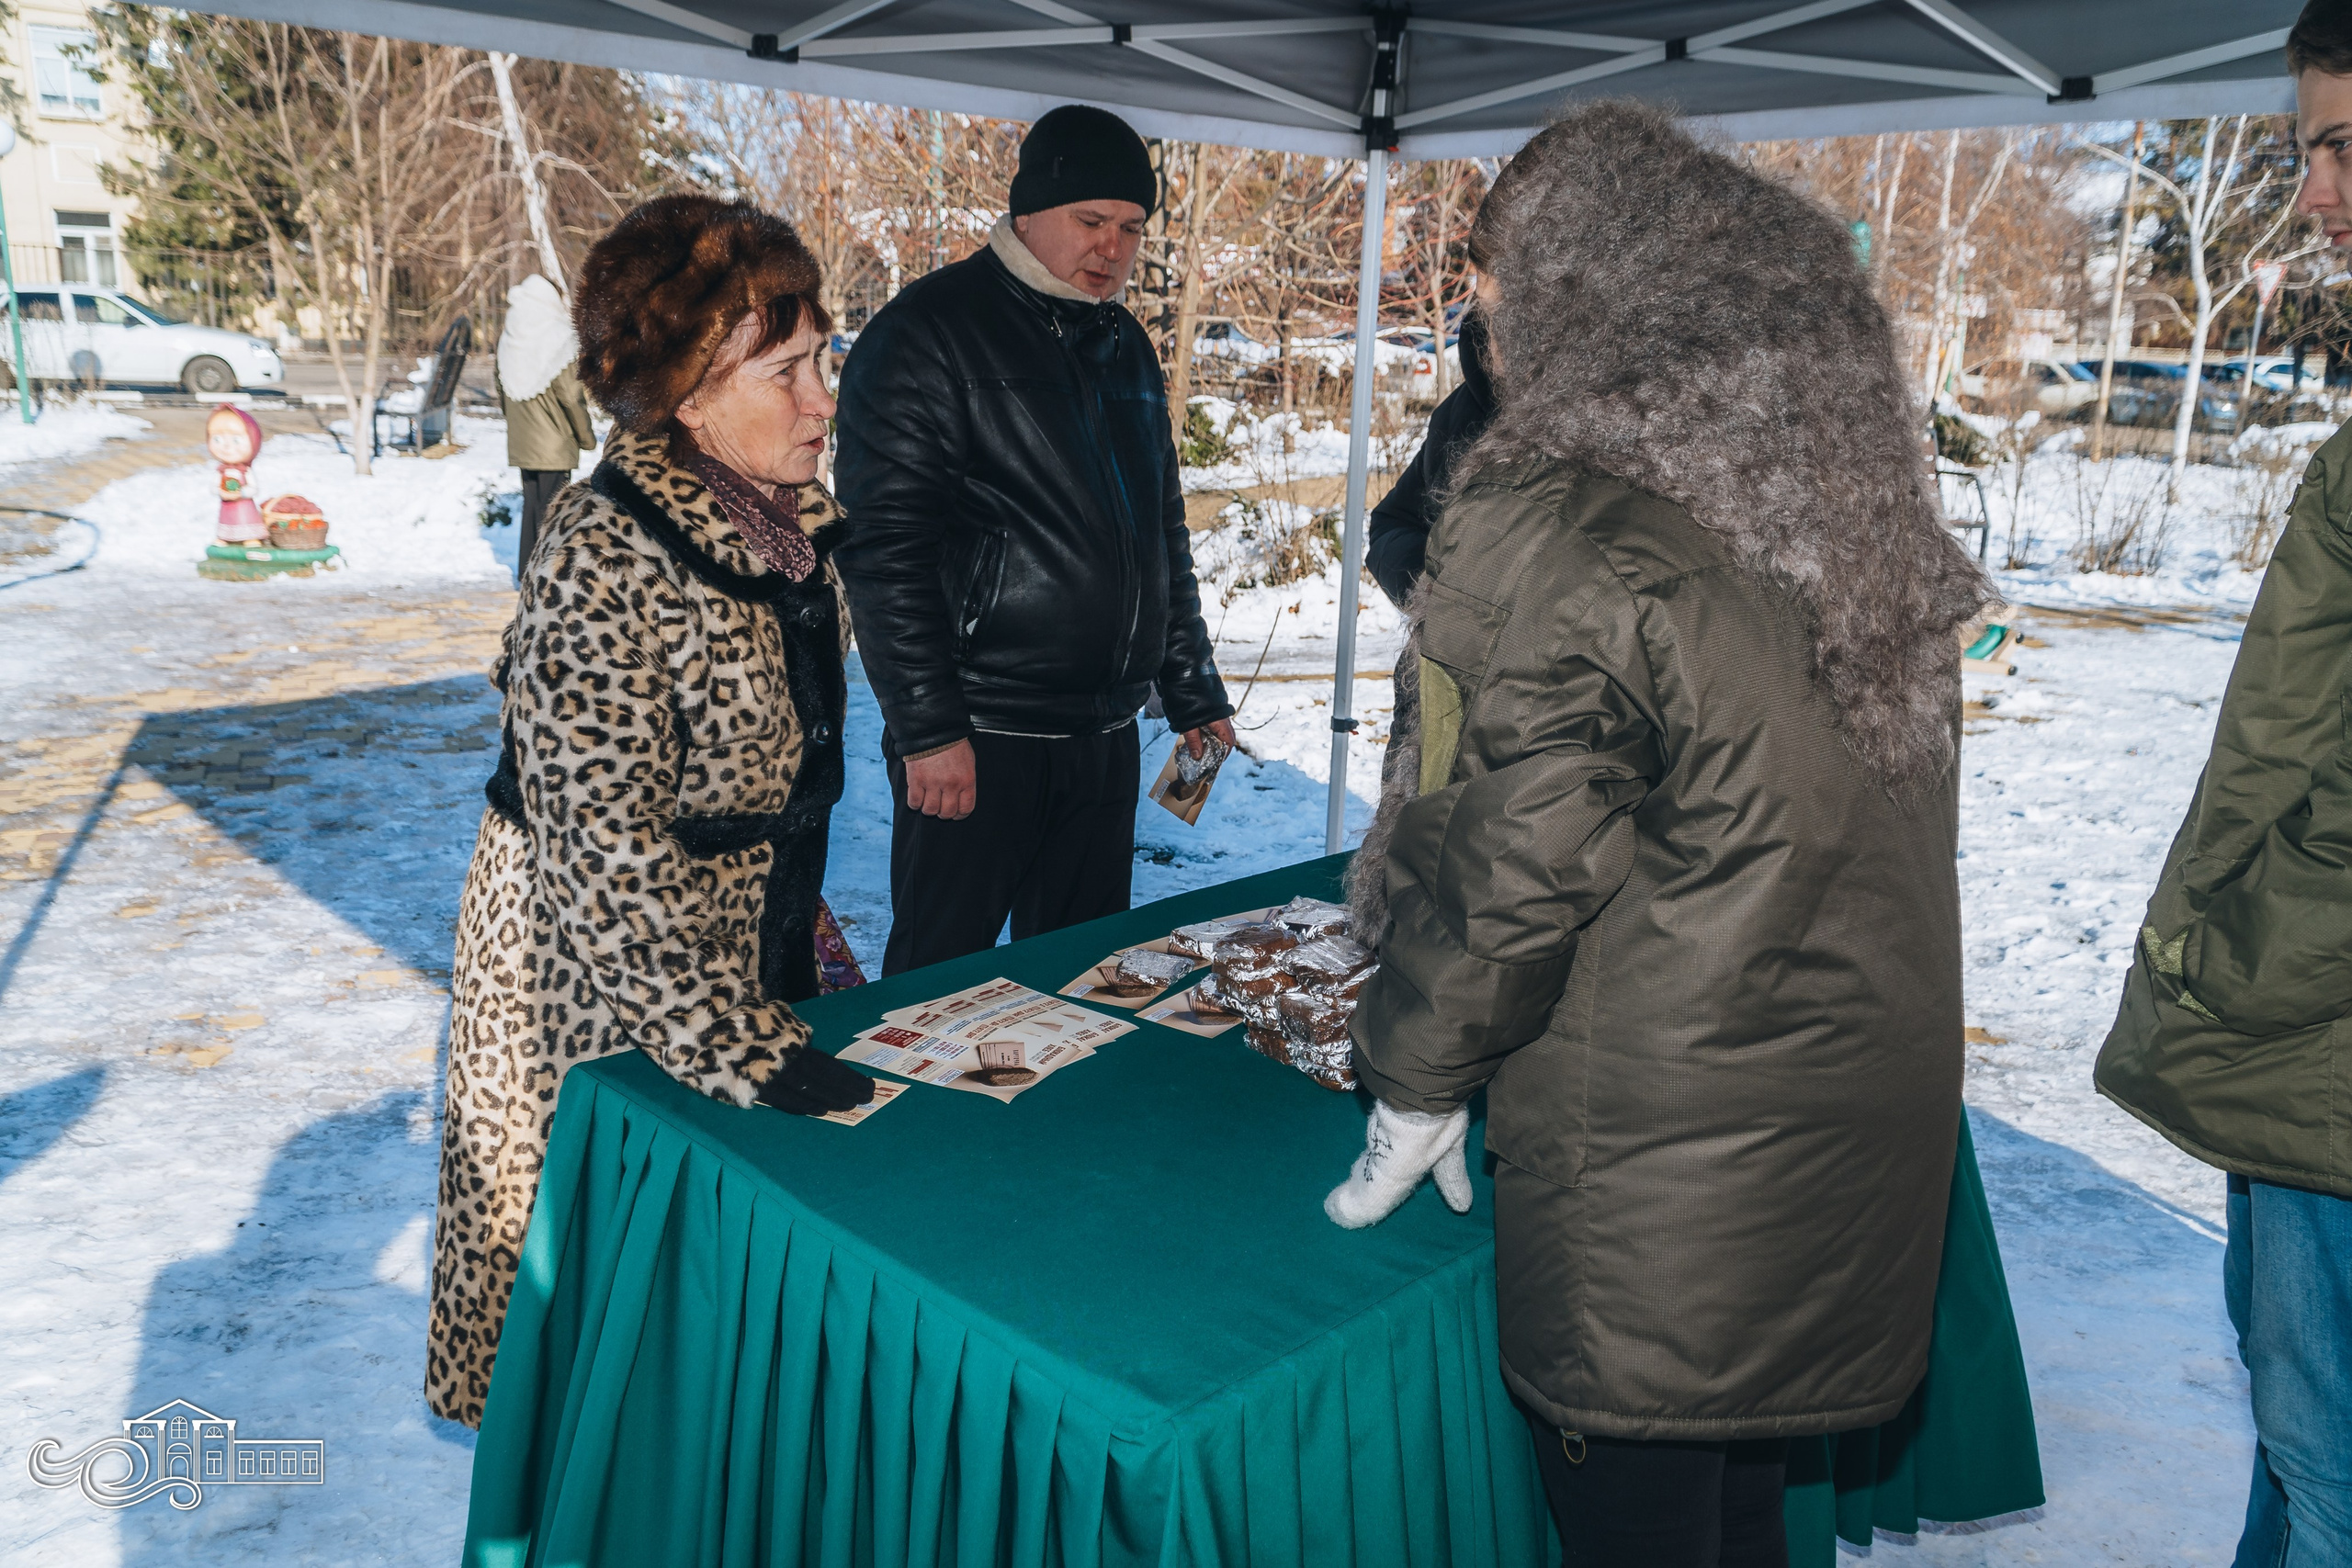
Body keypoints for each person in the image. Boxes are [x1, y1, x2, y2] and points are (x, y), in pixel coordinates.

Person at [1326, 103, 1992, 1567]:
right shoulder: (1841, 503)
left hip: (1665, 1157)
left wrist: (1415, 1072)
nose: (1479, 331)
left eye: (1490, 298)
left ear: (1574, 294)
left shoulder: (1572, 521)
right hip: (1834, 1113)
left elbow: (1510, 863)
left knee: (1647, 1510)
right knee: (1740, 1496)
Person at [428, 195, 873, 1428]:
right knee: (606, 1325)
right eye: (784, 370)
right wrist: (736, 1041)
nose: (822, 398)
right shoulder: (601, 556)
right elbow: (610, 861)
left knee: (728, 1314)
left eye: (820, 358)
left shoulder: (784, 530)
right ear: (684, 392)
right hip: (593, 984)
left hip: (743, 949)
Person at [2098, 8, 2352, 1561]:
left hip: (2319, 1052)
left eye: (2344, 144)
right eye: (2307, 145)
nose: (2316, 190)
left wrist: (2243, 950)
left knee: (2326, 1473)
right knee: (2298, 1454)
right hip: (2303, 1062)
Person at [834, 104, 1233, 976]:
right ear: (1026, 213)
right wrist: (929, 731)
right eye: (1090, 221)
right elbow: (883, 550)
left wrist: (1191, 685)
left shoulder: (1125, 345)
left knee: (1088, 985)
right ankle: (928, 1122)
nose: (1112, 248)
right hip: (979, 739)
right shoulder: (926, 333)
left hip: (1102, 741)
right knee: (939, 990)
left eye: (1131, 228)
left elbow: (1158, 530)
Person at [1364, 311, 1492, 609]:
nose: (1494, 329)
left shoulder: (1599, 421)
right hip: (1449, 648)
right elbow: (1391, 523)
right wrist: (1429, 590)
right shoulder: (1457, 415)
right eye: (1487, 310)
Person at [494, 273, 597, 575]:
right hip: (555, 442)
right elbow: (570, 395)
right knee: (555, 511)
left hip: (523, 440)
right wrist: (586, 437)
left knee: (531, 506)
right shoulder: (558, 336)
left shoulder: (510, 336)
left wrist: (516, 423)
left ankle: (526, 571)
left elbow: (501, 387)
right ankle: (549, 573)